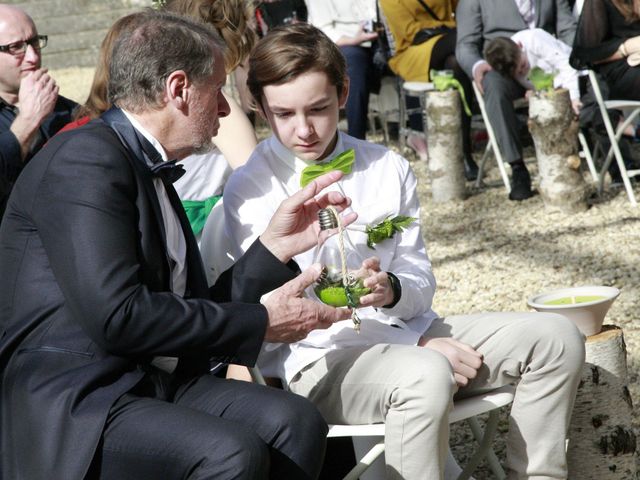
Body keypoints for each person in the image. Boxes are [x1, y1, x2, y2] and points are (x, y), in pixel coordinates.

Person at [0, 10, 358, 480]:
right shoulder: (86, 158)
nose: (227, 110)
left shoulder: (146, 162)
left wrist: (273, 247)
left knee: (295, 421)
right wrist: (264, 322)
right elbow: (119, 316)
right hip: (78, 398)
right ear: (178, 90)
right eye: (218, 91)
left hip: (151, 379)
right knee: (230, 453)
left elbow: (186, 308)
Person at [220, 23, 585, 479]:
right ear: (259, 106)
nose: (304, 130)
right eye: (283, 114)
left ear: (344, 90)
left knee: (556, 338)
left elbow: (418, 278)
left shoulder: (387, 166)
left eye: (319, 108)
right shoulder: (248, 190)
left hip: (414, 333)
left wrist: (391, 289)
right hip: (317, 362)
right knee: (426, 373)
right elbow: (282, 322)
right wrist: (416, 343)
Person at [456, 0, 577, 200]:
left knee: (582, 74)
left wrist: (576, 60)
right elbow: (465, 45)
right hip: (504, 68)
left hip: (546, 63)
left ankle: (606, 153)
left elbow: (567, 29)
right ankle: (517, 167)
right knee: (492, 85)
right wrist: (477, 66)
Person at [380, 0, 479, 179]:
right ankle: (463, 153)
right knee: (463, 41)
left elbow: (461, 8)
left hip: (449, 44)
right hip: (414, 51)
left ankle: (463, 152)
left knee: (455, 63)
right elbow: (409, 30)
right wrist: (450, 25)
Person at [0, 4, 76, 220]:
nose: (32, 57)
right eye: (15, 47)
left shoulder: (69, 112)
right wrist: (27, 122)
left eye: (34, 42)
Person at [305, 0, 379, 141]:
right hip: (346, 43)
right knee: (354, 65)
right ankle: (356, 138)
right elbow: (322, 30)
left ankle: (416, 133)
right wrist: (354, 39)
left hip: (382, 39)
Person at [484, 29, 583, 115]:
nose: (523, 71)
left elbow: (566, 63)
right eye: (519, 73)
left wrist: (574, 97)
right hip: (552, 94)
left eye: (523, 65)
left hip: (576, 77)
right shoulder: (511, 62)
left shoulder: (533, 39)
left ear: (519, 46)